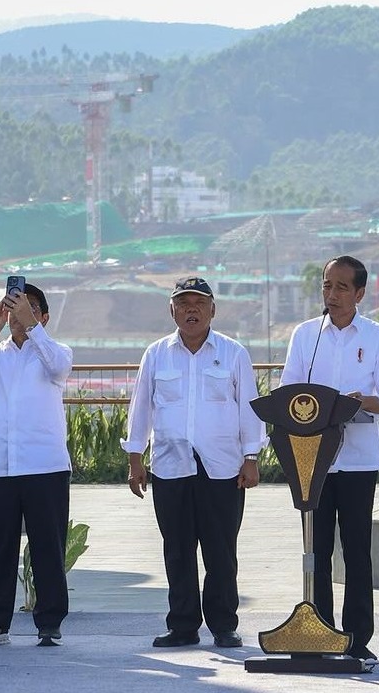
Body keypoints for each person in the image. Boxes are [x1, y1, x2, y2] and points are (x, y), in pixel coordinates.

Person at [122, 277, 266, 649]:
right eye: (183, 303)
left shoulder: (233, 353)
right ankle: (183, 625)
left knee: (221, 550)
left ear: (213, 310)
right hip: (170, 466)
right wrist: (135, 457)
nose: (191, 310)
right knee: (177, 548)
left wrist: (251, 457)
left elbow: (250, 409)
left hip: (223, 467)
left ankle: (223, 624)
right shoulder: (156, 354)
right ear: (172, 310)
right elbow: (141, 408)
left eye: (199, 303)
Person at [279, 255, 379, 667]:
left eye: (341, 288)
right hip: (312, 460)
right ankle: (320, 628)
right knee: (316, 548)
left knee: (356, 551)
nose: (331, 295)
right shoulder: (304, 335)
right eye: (326, 286)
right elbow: (287, 392)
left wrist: (362, 402)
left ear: (360, 293)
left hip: (357, 460)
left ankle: (356, 636)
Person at [0, 282, 73, 647]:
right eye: (13, 307)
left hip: (44, 465)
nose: (18, 315)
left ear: (43, 316)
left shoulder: (55, 351)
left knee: (47, 548)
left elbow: (57, 365)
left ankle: (50, 622)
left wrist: (33, 327)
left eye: (27, 308)